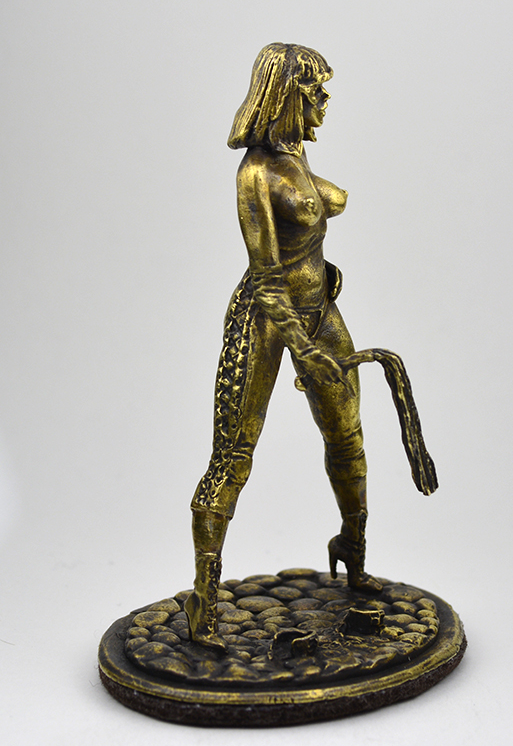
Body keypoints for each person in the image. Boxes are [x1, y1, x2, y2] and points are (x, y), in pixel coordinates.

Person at [185, 43, 384, 652]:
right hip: (267, 320)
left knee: (346, 435)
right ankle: (203, 595)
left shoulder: (294, 156)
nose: (325, 98)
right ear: (286, 94)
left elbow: (319, 211)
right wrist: (303, 344)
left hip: (320, 308)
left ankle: (352, 547)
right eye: (315, 88)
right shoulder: (255, 174)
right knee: (234, 454)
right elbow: (267, 278)